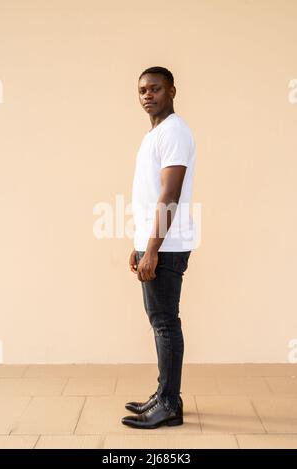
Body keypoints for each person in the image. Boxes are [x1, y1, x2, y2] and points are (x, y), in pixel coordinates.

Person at [121, 66, 197, 429]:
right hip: (155, 243)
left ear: (172, 90)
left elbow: (170, 194)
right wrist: (140, 245)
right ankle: (167, 396)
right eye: (142, 90)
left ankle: (167, 403)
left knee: (165, 324)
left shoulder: (175, 132)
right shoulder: (154, 134)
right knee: (160, 322)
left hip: (167, 245)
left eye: (155, 88)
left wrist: (152, 249)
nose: (147, 95)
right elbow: (149, 195)